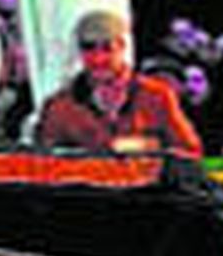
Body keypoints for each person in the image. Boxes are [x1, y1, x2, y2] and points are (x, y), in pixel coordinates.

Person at [35, 10, 202, 158]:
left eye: (107, 48)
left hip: (145, 190)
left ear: (122, 47)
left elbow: (190, 151)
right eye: (89, 49)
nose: (98, 59)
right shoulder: (60, 106)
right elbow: (45, 161)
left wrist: (146, 146)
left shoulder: (156, 95)